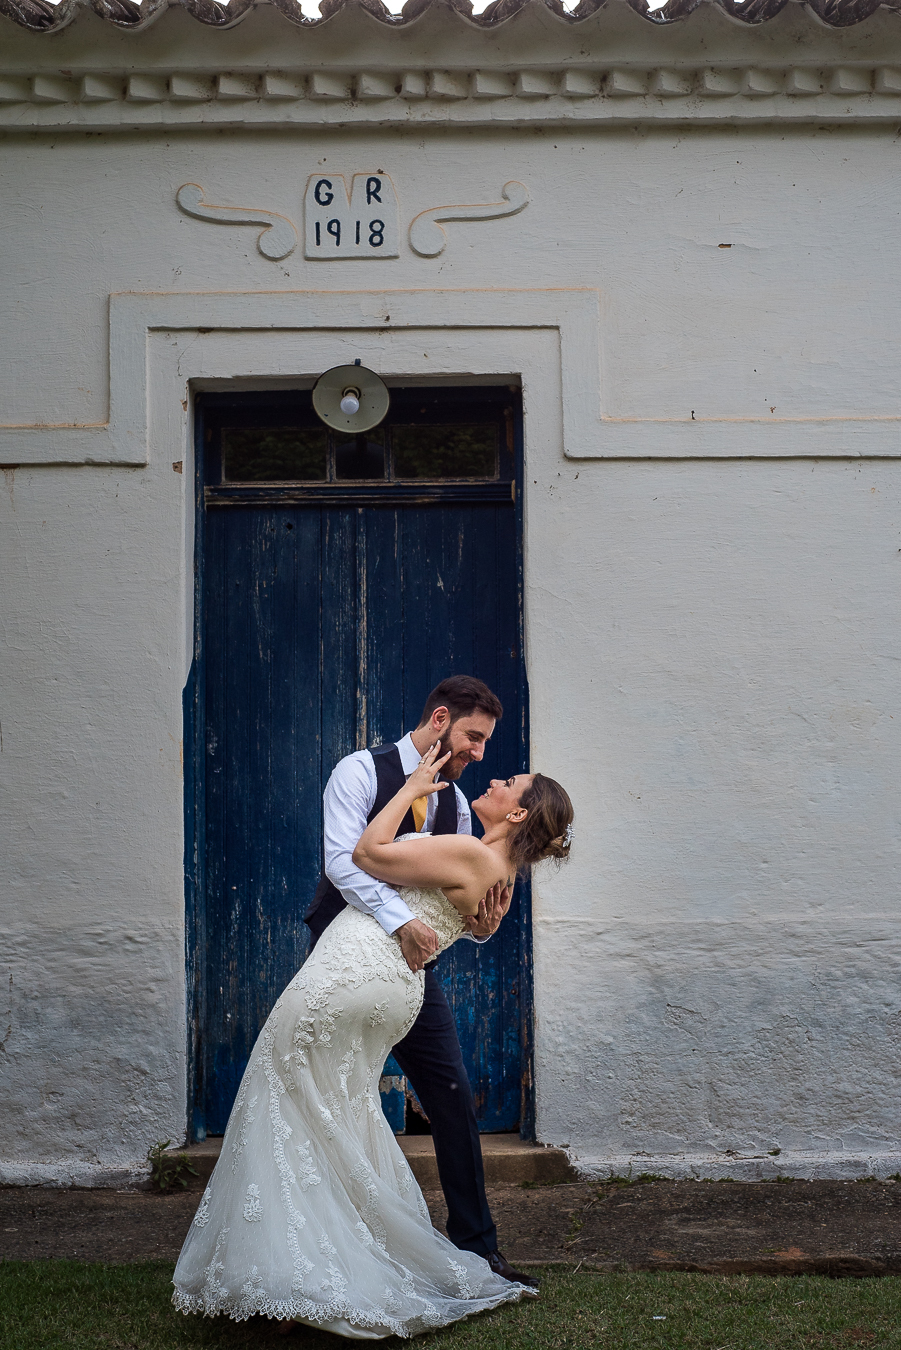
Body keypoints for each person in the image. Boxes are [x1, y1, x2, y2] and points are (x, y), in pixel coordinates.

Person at [172, 743, 574, 1338]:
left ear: (518, 814)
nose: (494, 773)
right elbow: (462, 914)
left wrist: (410, 791)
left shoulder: (468, 848)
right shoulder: (494, 868)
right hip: (390, 987)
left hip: (356, 973)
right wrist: (478, 927)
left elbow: (365, 853)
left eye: (511, 781)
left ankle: (296, 1277)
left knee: (282, 1095)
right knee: (332, 1112)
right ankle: (308, 1267)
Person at [306, 676, 526, 1283]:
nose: (481, 754)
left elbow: (455, 903)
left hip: (410, 975)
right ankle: (324, 1251)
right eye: (473, 738)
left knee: (452, 1095)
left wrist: (483, 926)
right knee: (326, 1097)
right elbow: (341, 857)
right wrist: (399, 920)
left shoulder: (457, 807)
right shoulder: (357, 771)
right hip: (346, 961)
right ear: (439, 720)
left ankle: (479, 1249)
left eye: (485, 743)